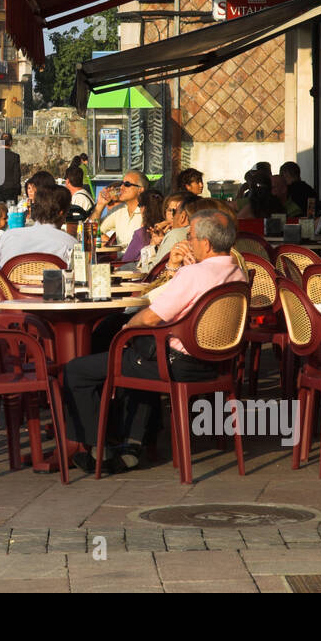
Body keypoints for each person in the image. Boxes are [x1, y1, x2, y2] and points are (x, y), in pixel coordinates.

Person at [63, 209, 245, 474]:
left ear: (205, 243)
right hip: (214, 362)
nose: (188, 241)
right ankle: (131, 445)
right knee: (137, 358)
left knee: (78, 370)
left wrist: (125, 329)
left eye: (191, 237)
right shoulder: (239, 275)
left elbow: (150, 317)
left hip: (176, 363)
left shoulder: (194, 276)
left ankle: (94, 448)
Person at [0, 185, 76, 268]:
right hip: (53, 281)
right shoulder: (70, 244)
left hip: (8, 281)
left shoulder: (7, 237)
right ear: (61, 213)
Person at [96, 170, 147, 249]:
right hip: (120, 260)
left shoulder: (148, 211)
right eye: (122, 184)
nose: (121, 187)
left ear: (140, 189)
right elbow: (91, 229)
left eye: (127, 184)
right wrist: (100, 205)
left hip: (138, 260)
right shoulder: (119, 210)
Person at [120, 189, 165, 268]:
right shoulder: (170, 230)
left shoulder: (142, 234)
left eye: (139, 205)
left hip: (141, 275)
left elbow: (126, 260)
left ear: (143, 208)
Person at [0, 132, 22, 203]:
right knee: (11, 212)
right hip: (11, 190)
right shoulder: (15, 157)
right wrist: (17, 189)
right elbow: (17, 175)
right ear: (11, 142)